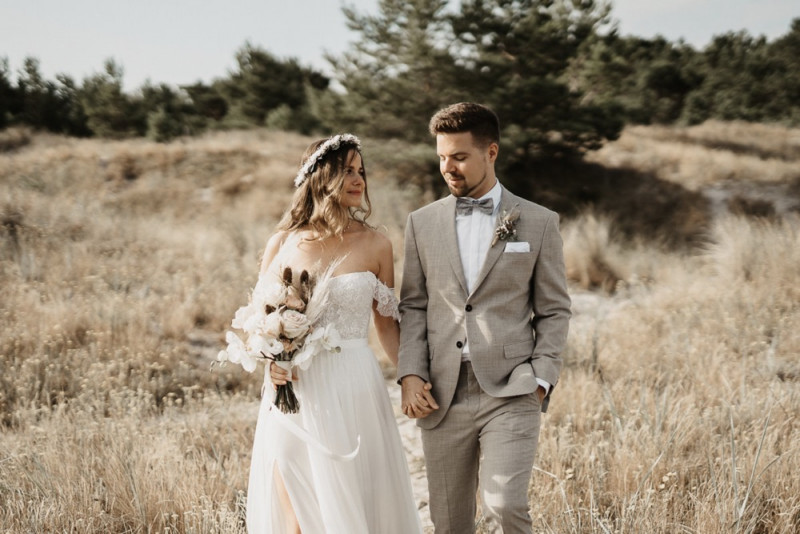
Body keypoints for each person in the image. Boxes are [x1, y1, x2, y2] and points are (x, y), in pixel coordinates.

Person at [398, 102, 572, 533]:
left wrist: (542, 376)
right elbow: (414, 306)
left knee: (505, 506)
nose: (447, 167)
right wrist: (410, 374)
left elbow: (554, 309)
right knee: (450, 523)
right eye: (441, 157)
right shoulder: (421, 223)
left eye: (459, 156)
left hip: (512, 389)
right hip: (442, 393)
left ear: (491, 152)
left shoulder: (539, 222)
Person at [247, 134, 422, 533]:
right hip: (295, 389)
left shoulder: (377, 244)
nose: (359, 179)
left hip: (354, 384)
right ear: (321, 177)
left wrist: (412, 376)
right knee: (294, 499)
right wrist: (270, 361)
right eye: (347, 170)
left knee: (353, 498)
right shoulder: (283, 243)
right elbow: (260, 321)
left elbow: (387, 326)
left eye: (361, 171)